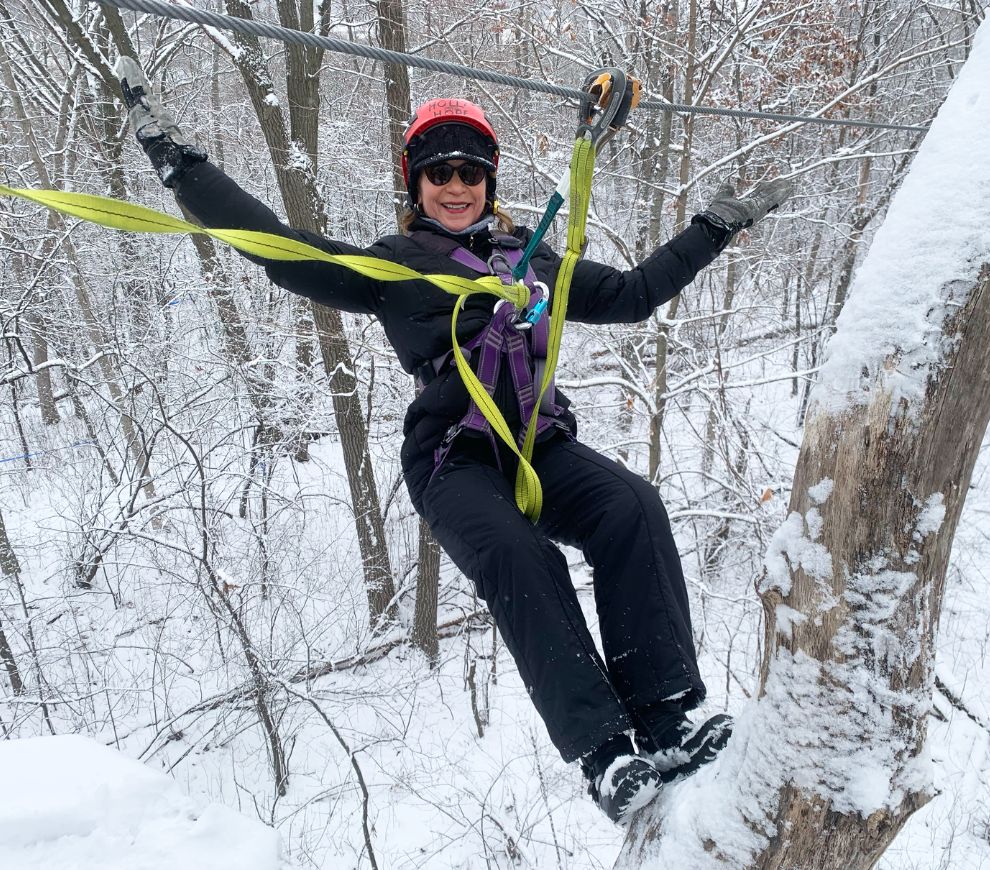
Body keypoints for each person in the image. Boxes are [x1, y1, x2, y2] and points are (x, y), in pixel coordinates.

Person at [115, 58, 791, 824]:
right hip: (452, 459)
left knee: (633, 506)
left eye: (470, 169)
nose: (456, 184)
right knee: (519, 554)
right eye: (438, 171)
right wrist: (179, 163)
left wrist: (714, 227)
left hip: (538, 445)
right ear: (415, 185)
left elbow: (634, 295)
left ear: (490, 179)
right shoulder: (393, 265)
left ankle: (670, 718)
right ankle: (605, 755)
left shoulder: (530, 258)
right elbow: (277, 247)